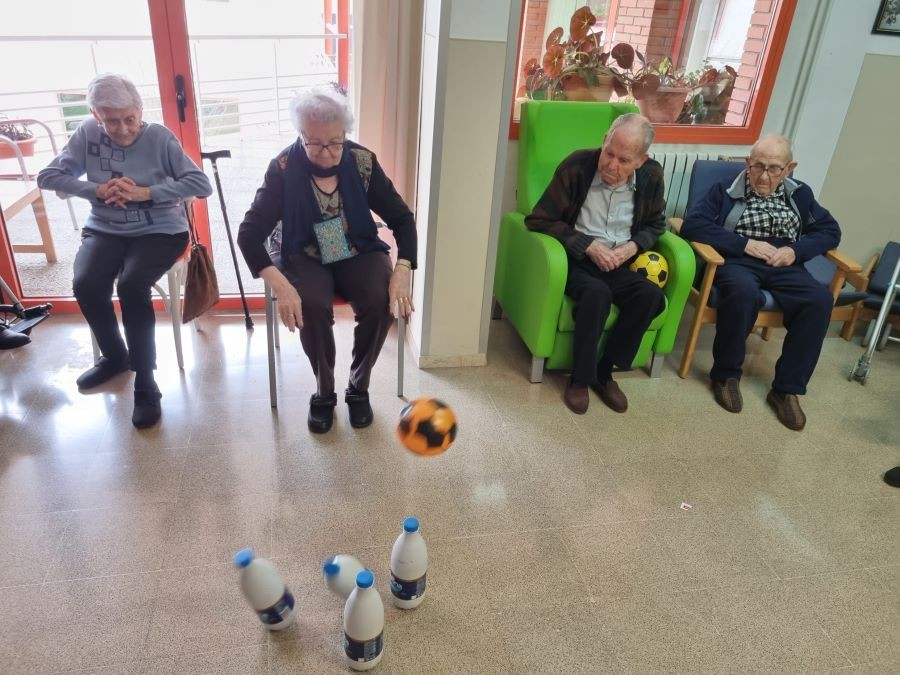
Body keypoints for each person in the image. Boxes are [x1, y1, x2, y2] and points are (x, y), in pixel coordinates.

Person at [38, 73, 212, 429]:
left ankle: (146, 383)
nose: (122, 129)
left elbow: (200, 184)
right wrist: (96, 190)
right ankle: (116, 357)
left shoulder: (159, 137)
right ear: (95, 115)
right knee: (86, 283)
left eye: (129, 119)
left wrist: (146, 193)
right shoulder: (87, 134)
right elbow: (48, 176)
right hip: (105, 228)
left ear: (140, 110)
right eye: (112, 121)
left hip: (161, 230)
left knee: (132, 285)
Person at [237, 87, 416, 434]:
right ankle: (324, 391)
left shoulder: (362, 162)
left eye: (335, 142)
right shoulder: (283, 168)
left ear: (345, 134)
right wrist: (280, 285)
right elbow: (249, 233)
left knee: (380, 298)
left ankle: (358, 386)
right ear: (300, 135)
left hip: (356, 246)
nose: (326, 153)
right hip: (302, 251)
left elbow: (402, 218)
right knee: (313, 306)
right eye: (315, 143)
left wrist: (403, 269)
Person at [680, 134, 840, 431]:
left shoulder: (800, 194)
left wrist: (795, 251)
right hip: (738, 260)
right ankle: (725, 375)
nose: (764, 176)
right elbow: (693, 225)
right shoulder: (724, 190)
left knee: (819, 301)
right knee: (742, 293)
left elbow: (830, 231)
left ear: (789, 168)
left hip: (785, 263)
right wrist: (744, 245)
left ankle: (786, 389)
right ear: (748, 163)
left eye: (774, 169)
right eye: (758, 166)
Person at [525, 114, 666, 415]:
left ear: (641, 160)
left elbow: (656, 225)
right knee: (596, 294)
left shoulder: (652, 175)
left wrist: (632, 248)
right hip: (577, 260)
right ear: (604, 140)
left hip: (619, 261)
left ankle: (604, 372)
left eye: (624, 160)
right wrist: (587, 245)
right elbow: (539, 219)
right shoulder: (577, 166)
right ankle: (580, 378)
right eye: (609, 153)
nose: (611, 166)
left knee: (651, 296)